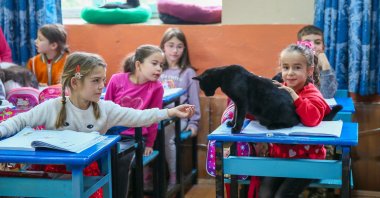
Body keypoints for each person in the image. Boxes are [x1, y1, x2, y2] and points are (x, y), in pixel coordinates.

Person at [0, 51, 195, 198]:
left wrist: (169, 112)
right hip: (53, 170)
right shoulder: (53, 107)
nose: (102, 86)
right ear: (75, 83)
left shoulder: (105, 109)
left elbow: (139, 116)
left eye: (103, 80)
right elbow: (20, 120)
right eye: (95, 81)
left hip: (87, 174)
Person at [257, 42, 331, 198]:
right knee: (264, 192)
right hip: (280, 157)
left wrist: (294, 96)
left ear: (309, 71)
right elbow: (261, 115)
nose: (290, 73)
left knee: (282, 196)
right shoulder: (277, 89)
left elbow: (312, 119)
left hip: (308, 161)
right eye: (285, 67)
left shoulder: (313, 93)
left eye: (297, 67)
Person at [104, 44, 164, 196]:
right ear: (138, 64)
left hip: (135, 137)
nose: (159, 69)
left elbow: (154, 117)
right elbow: (104, 109)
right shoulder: (117, 80)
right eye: (154, 63)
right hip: (111, 135)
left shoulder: (156, 87)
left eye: (161, 65)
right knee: (99, 159)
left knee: (121, 160)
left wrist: (150, 143)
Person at [159, 27, 201, 186]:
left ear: (184, 49)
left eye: (179, 46)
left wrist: (193, 123)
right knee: (146, 134)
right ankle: (148, 175)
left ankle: (174, 176)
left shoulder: (188, 72)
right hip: (160, 115)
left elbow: (194, 101)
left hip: (179, 117)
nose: (175, 50)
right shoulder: (157, 70)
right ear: (163, 46)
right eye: (170, 45)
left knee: (168, 138)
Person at [273, 25, 337, 99]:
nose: (313, 46)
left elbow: (327, 96)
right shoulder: (287, 72)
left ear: (323, 47)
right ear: (299, 47)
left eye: (317, 42)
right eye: (307, 43)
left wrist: (326, 66)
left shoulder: (326, 71)